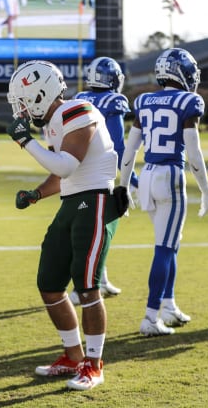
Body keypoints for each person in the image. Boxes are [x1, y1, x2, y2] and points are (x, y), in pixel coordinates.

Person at [6, 60, 129, 390]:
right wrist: (36, 194)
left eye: (23, 99)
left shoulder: (78, 110)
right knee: (49, 282)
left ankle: (94, 363)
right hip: (72, 203)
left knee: (87, 287)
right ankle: (73, 355)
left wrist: (25, 142)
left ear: (40, 93)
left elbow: (67, 165)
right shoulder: (53, 123)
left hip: (96, 203)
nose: (20, 108)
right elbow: (60, 177)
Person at [117, 48, 208, 337]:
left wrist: (123, 186)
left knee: (170, 242)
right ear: (181, 72)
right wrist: (206, 191)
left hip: (146, 177)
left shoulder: (144, 100)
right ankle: (150, 316)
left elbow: (130, 149)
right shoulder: (189, 101)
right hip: (170, 176)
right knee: (164, 247)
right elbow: (194, 154)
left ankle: (169, 306)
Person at [72, 56, 139, 301]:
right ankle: (80, 289)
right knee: (93, 232)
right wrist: (133, 180)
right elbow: (118, 147)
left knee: (93, 230)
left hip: (77, 170)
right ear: (113, 79)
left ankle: (100, 279)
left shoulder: (79, 98)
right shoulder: (113, 100)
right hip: (100, 174)